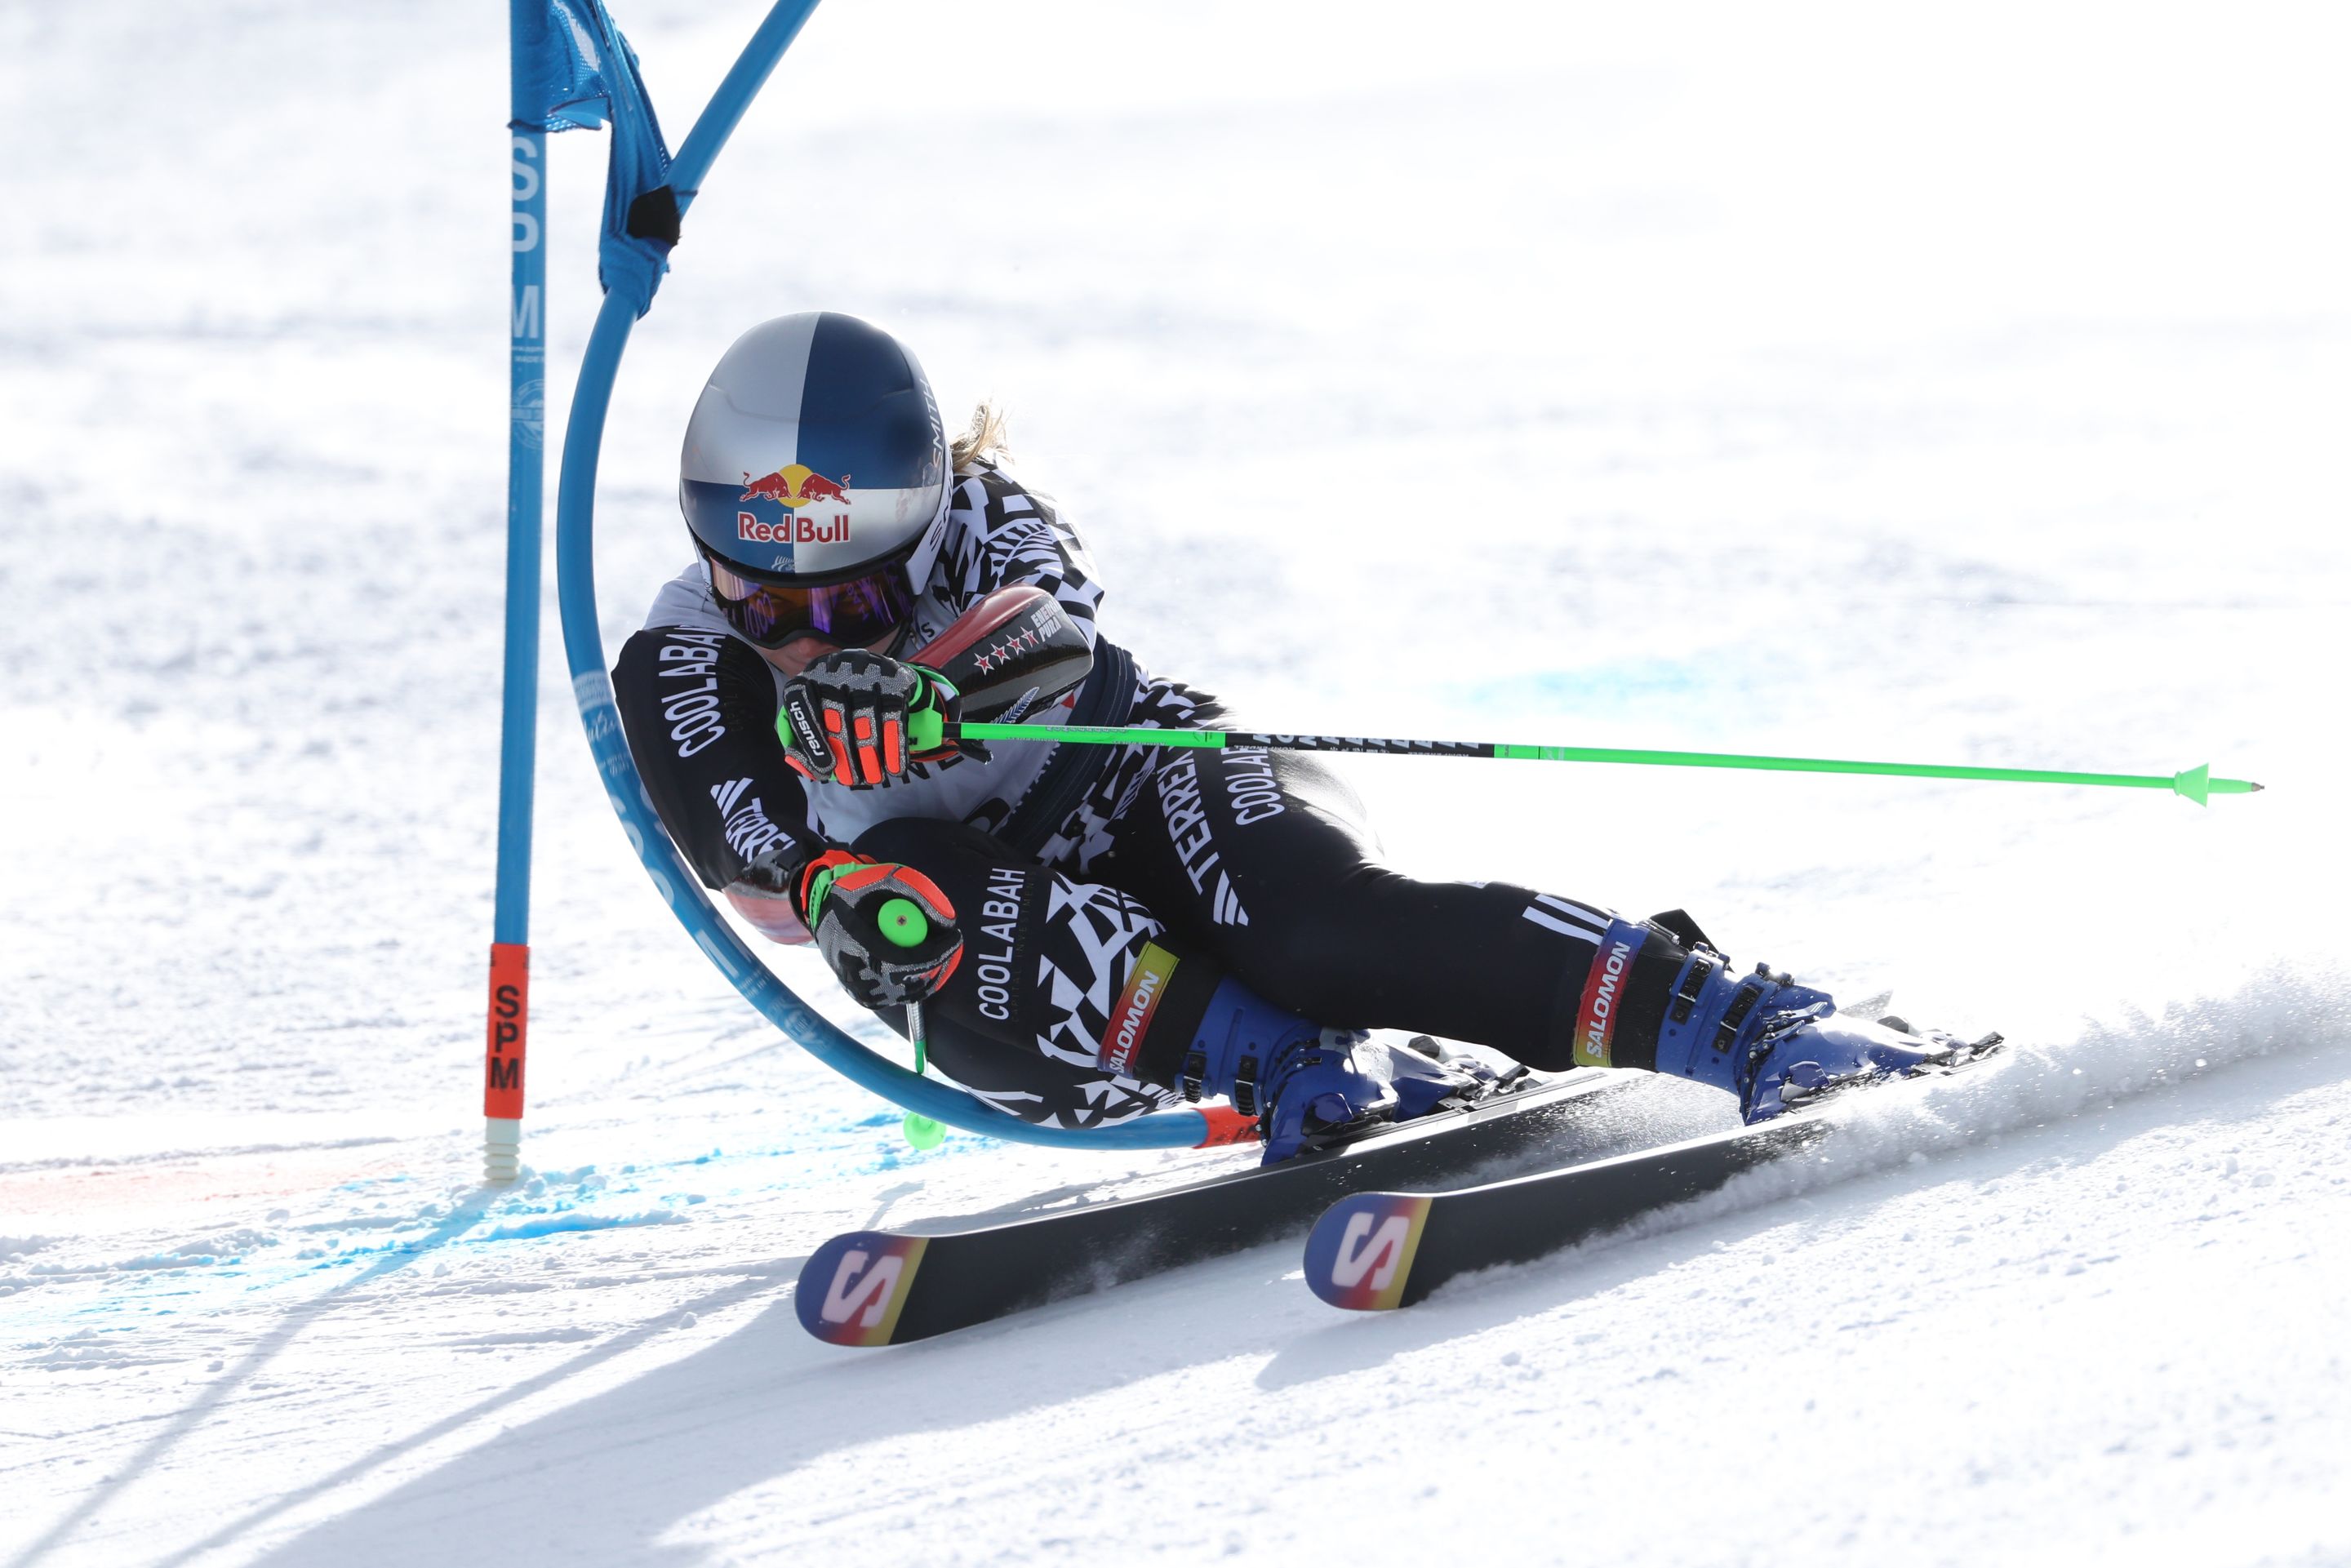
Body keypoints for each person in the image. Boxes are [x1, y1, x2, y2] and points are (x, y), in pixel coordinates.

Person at [613, 311, 1952, 1161]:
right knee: (893, 893)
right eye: (762, 598)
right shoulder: (682, 656)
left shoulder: (984, 510)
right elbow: (755, 848)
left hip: (1152, 790)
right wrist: (811, 828)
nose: (802, 631)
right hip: (1041, 1009)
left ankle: (1739, 1021)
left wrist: (926, 693)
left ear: (926, 513)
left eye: (853, 596)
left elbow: (1056, 632)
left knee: (1315, 930)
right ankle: (1287, 1059)